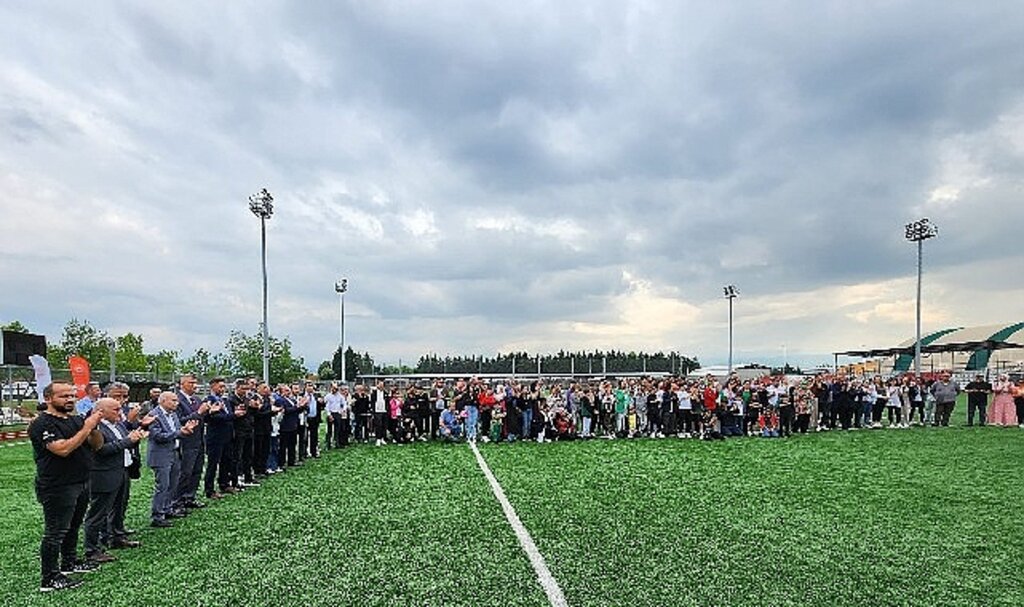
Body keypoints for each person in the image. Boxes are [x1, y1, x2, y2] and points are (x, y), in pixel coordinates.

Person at [30, 382, 104, 592]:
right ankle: (49, 578)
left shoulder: (76, 420)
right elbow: (62, 449)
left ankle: (69, 563)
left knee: (73, 525)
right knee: (55, 531)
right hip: (57, 485)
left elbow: (96, 445)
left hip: (81, 481)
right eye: (64, 396)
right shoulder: (42, 423)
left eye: (72, 396)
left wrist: (93, 428)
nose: (70, 400)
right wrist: (87, 427)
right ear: (48, 399)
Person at [83, 398, 146, 564]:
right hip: (103, 475)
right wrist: (128, 441)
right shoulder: (95, 428)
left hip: (122, 471)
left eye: (120, 409)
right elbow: (100, 450)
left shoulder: (118, 425)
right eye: (116, 410)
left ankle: (116, 537)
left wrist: (135, 438)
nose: (120, 412)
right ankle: (92, 549)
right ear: (101, 412)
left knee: (119, 507)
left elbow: (126, 443)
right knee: (98, 513)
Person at [147, 391, 197, 527]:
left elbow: (177, 431)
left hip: (174, 452)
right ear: (163, 401)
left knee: (173, 484)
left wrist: (185, 429)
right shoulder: (153, 415)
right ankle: (157, 516)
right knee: (162, 486)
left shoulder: (173, 414)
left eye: (176, 400)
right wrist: (179, 432)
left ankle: (167, 509)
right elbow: (158, 436)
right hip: (160, 455)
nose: (177, 403)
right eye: (173, 400)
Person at [174, 374, 209, 512]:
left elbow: (201, 418)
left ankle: (190, 497)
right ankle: (178, 501)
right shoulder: (177, 400)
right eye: (191, 383)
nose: (195, 385)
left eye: (195, 383)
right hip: (186, 441)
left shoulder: (196, 399)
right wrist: (199, 413)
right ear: (181, 384)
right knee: (185, 472)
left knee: (197, 470)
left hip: (199, 440)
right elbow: (180, 421)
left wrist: (209, 412)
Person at [204, 378, 235, 498]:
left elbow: (228, 414)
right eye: (220, 386)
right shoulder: (209, 400)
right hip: (215, 437)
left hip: (227, 436)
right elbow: (214, 417)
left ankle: (224, 483)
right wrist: (233, 416)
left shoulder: (225, 400)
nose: (223, 389)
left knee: (226, 461)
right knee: (213, 464)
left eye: (224, 386)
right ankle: (209, 489)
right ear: (213, 387)